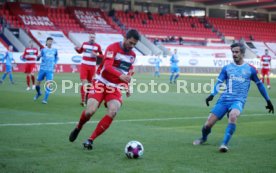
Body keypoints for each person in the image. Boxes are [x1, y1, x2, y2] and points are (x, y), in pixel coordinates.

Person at [193, 43, 274, 153]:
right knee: (208, 125)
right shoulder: (227, 68)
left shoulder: (251, 69)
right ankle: (204, 138)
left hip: (238, 100)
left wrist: (268, 100)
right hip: (224, 100)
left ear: (242, 53)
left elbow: (260, 85)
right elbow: (219, 82)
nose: (234, 54)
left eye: (237, 52)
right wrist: (212, 94)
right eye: (233, 52)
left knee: (233, 115)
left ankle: (224, 144)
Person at [69, 29, 140, 150]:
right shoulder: (112, 48)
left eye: (134, 44)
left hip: (115, 87)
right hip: (101, 82)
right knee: (90, 111)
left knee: (113, 111)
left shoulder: (132, 55)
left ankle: (90, 140)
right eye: (130, 43)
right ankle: (78, 127)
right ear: (125, 38)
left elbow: (126, 71)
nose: (132, 46)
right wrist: (120, 76)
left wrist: (127, 86)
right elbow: (107, 67)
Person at [75, 34, 103, 107]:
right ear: (89, 38)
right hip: (84, 66)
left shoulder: (98, 46)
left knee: (90, 84)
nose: (92, 38)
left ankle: (87, 98)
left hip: (92, 67)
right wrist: (76, 49)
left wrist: (96, 55)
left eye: (93, 37)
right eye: (91, 37)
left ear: (95, 38)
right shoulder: (84, 44)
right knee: (84, 82)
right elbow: (80, 51)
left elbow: (102, 56)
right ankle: (83, 100)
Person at [34, 37, 58, 104]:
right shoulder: (43, 50)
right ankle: (39, 93)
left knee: (49, 84)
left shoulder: (55, 50)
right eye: (49, 41)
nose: (50, 42)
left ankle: (45, 99)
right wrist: (38, 57)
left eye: (51, 41)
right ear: (46, 42)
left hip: (50, 70)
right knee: (37, 85)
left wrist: (55, 63)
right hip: (42, 69)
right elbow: (38, 59)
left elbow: (56, 58)